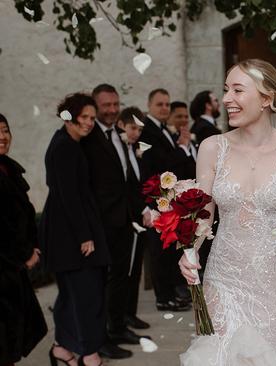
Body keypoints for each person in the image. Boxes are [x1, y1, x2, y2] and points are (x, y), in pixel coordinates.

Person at [177, 59, 276, 365]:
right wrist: (191, 250)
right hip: (223, 279)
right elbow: (204, 213)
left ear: (266, 98)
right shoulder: (212, 147)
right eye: (226, 90)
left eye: (238, 90)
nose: (227, 99)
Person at [39, 93, 110, 366]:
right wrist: (85, 236)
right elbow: (68, 196)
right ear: (68, 117)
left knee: (72, 294)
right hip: (69, 235)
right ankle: (89, 355)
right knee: (86, 294)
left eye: (93, 118)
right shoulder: (65, 147)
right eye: (84, 117)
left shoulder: (68, 142)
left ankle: (61, 348)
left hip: (66, 231)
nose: (90, 123)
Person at [82, 84, 147, 359]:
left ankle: (119, 327)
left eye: (115, 104)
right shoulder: (89, 137)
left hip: (122, 219)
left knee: (121, 277)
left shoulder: (117, 135)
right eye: (106, 105)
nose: (111, 110)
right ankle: (102, 337)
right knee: (103, 283)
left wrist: (137, 211)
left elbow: (125, 179)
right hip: (101, 221)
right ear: (96, 107)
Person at [140, 88, 194, 312]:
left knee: (168, 251)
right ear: (150, 106)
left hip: (168, 201)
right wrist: (182, 148)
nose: (164, 108)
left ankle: (170, 294)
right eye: (160, 104)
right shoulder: (148, 132)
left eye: (167, 104)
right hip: (156, 201)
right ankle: (163, 297)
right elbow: (162, 164)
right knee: (159, 253)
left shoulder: (164, 131)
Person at [0, 113, 47, 366]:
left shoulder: (8, 167)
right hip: (5, 266)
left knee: (11, 338)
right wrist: (23, 255)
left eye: (5, 130)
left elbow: (23, 216)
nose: (3, 136)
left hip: (11, 271)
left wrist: (32, 246)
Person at [115, 106, 151, 330]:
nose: (136, 133)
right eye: (132, 128)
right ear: (122, 125)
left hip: (140, 216)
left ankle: (130, 312)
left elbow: (140, 182)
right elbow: (126, 188)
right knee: (125, 270)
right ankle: (120, 316)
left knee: (135, 267)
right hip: (127, 217)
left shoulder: (136, 149)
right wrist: (142, 209)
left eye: (139, 129)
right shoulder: (118, 149)